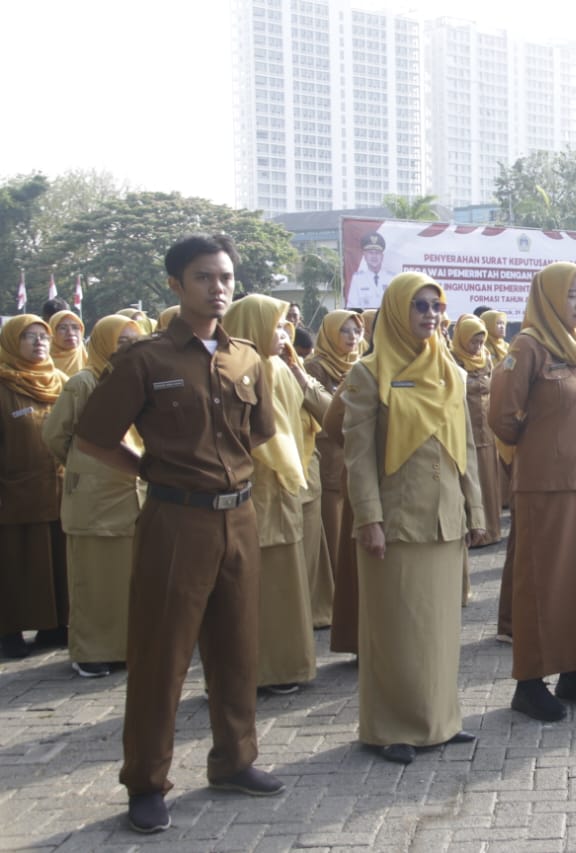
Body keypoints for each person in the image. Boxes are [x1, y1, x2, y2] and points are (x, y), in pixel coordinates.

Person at [73, 234, 283, 834]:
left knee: (238, 649)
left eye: (224, 278)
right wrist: (145, 469)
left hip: (238, 516)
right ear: (175, 284)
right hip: (174, 519)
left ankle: (236, 761)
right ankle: (145, 782)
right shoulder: (146, 360)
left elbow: (261, 432)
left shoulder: (248, 358)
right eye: (203, 278)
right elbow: (92, 438)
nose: (217, 288)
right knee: (161, 656)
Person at [342, 272, 485, 764]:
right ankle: (389, 728)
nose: (430, 315)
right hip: (396, 520)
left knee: (440, 629)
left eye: (435, 306)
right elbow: (357, 456)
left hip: (445, 518)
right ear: (397, 311)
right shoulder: (367, 373)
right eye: (419, 306)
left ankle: (441, 721)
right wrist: (368, 518)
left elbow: (464, 445)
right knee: (396, 628)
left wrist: (476, 509)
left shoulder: (451, 370)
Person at [489, 261, 576, 722]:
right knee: (541, 581)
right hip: (544, 482)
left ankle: (574, 671)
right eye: (571, 295)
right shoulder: (528, 347)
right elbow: (502, 416)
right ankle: (529, 682)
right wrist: (547, 440)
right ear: (547, 298)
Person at [222, 295, 330, 695]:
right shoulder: (229, 372)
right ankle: (257, 671)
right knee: (256, 586)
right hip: (251, 490)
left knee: (287, 584)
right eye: (276, 325)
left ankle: (288, 666)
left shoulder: (283, 370)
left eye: (286, 325)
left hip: (288, 486)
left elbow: (321, 416)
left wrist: (299, 371)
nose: (283, 333)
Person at [41, 315, 143, 676]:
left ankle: (128, 647)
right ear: (103, 343)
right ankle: (91, 652)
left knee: (127, 581)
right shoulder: (83, 383)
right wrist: (83, 465)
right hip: (93, 498)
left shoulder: (140, 381)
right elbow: (55, 435)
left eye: (135, 340)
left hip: (133, 494)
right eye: (121, 340)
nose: (129, 347)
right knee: (94, 579)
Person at [0, 316, 68, 661]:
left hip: (58, 490)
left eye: (43, 336)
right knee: (15, 564)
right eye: (29, 337)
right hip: (14, 494)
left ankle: (53, 626)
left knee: (55, 562)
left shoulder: (61, 382)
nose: (39, 342)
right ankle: (9, 631)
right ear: (12, 341)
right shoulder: (4, 384)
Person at [304, 310, 364, 631]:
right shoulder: (315, 367)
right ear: (328, 334)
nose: (352, 337)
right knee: (334, 530)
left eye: (356, 331)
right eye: (345, 331)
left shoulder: (361, 365)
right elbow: (325, 414)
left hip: (356, 458)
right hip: (330, 456)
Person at [450, 314, 502, 547]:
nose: (478, 346)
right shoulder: (453, 360)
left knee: (489, 480)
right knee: (472, 478)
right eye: (473, 341)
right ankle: (472, 528)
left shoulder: (486, 359)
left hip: (487, 429)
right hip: (466, 428)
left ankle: (491, 529)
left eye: (481, 341)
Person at [347, 232, 392, 309]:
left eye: (377, 253)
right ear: (364, 255)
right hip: (365, 320)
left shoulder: (392, 278)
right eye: (371, 253)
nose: (374, 256)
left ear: (382, 256)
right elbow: (352, 307)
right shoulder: (357, 279)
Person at [49, 310, 87, 376]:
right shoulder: (41, 363)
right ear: (52, 332)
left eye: (75, 327)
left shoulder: (90, 363)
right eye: (63, 328)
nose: (70, 333)